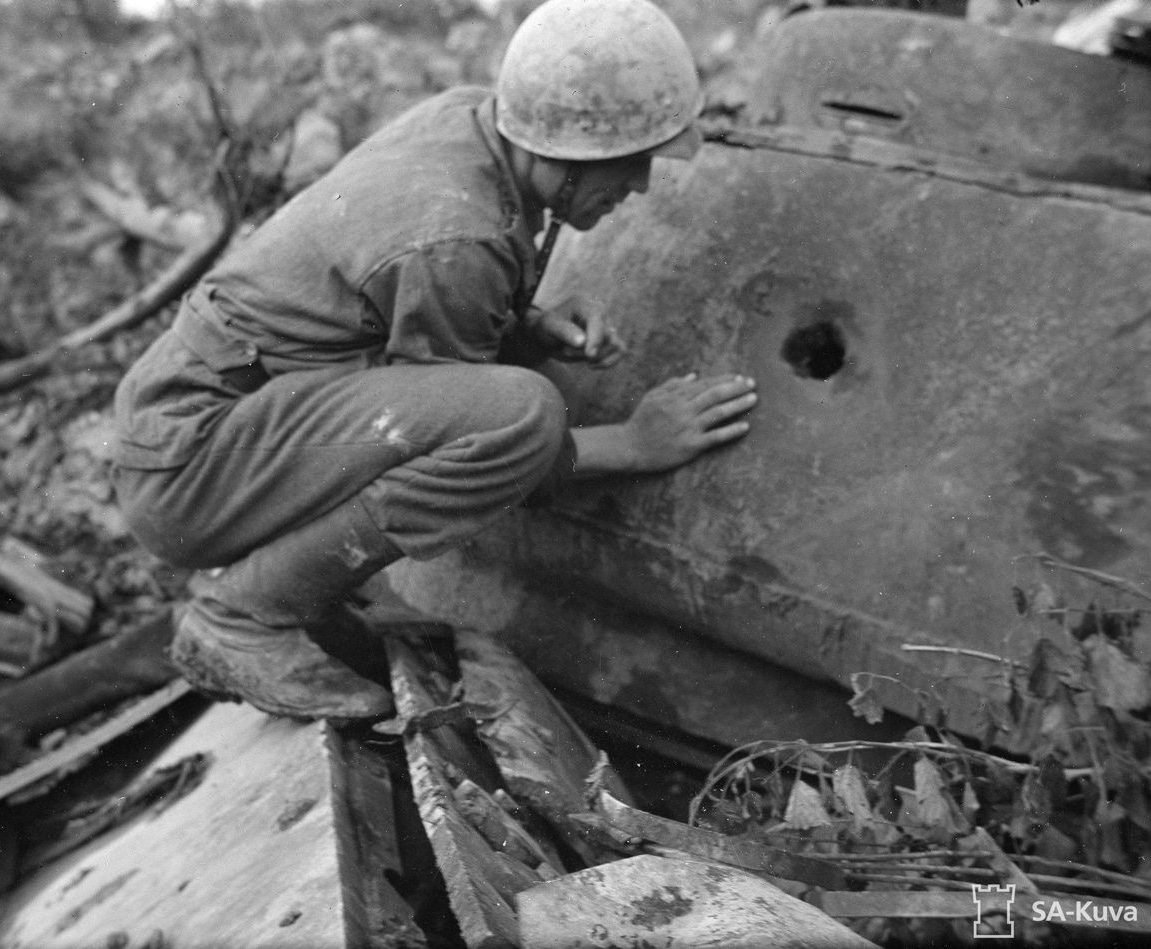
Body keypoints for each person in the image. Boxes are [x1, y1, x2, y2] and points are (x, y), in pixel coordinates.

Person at [109, 0, 759, 722]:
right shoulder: (456, 234)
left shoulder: (472, 124)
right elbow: (498, 450)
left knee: (511, 403)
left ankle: (300, 594)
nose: (637, 186)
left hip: (202, 434)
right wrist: (636, 445)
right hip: (191, 469)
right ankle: (242, 615)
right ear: (563, 154)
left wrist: (531, 323)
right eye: (630, 163)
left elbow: (407, 322)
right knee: (525, 413)